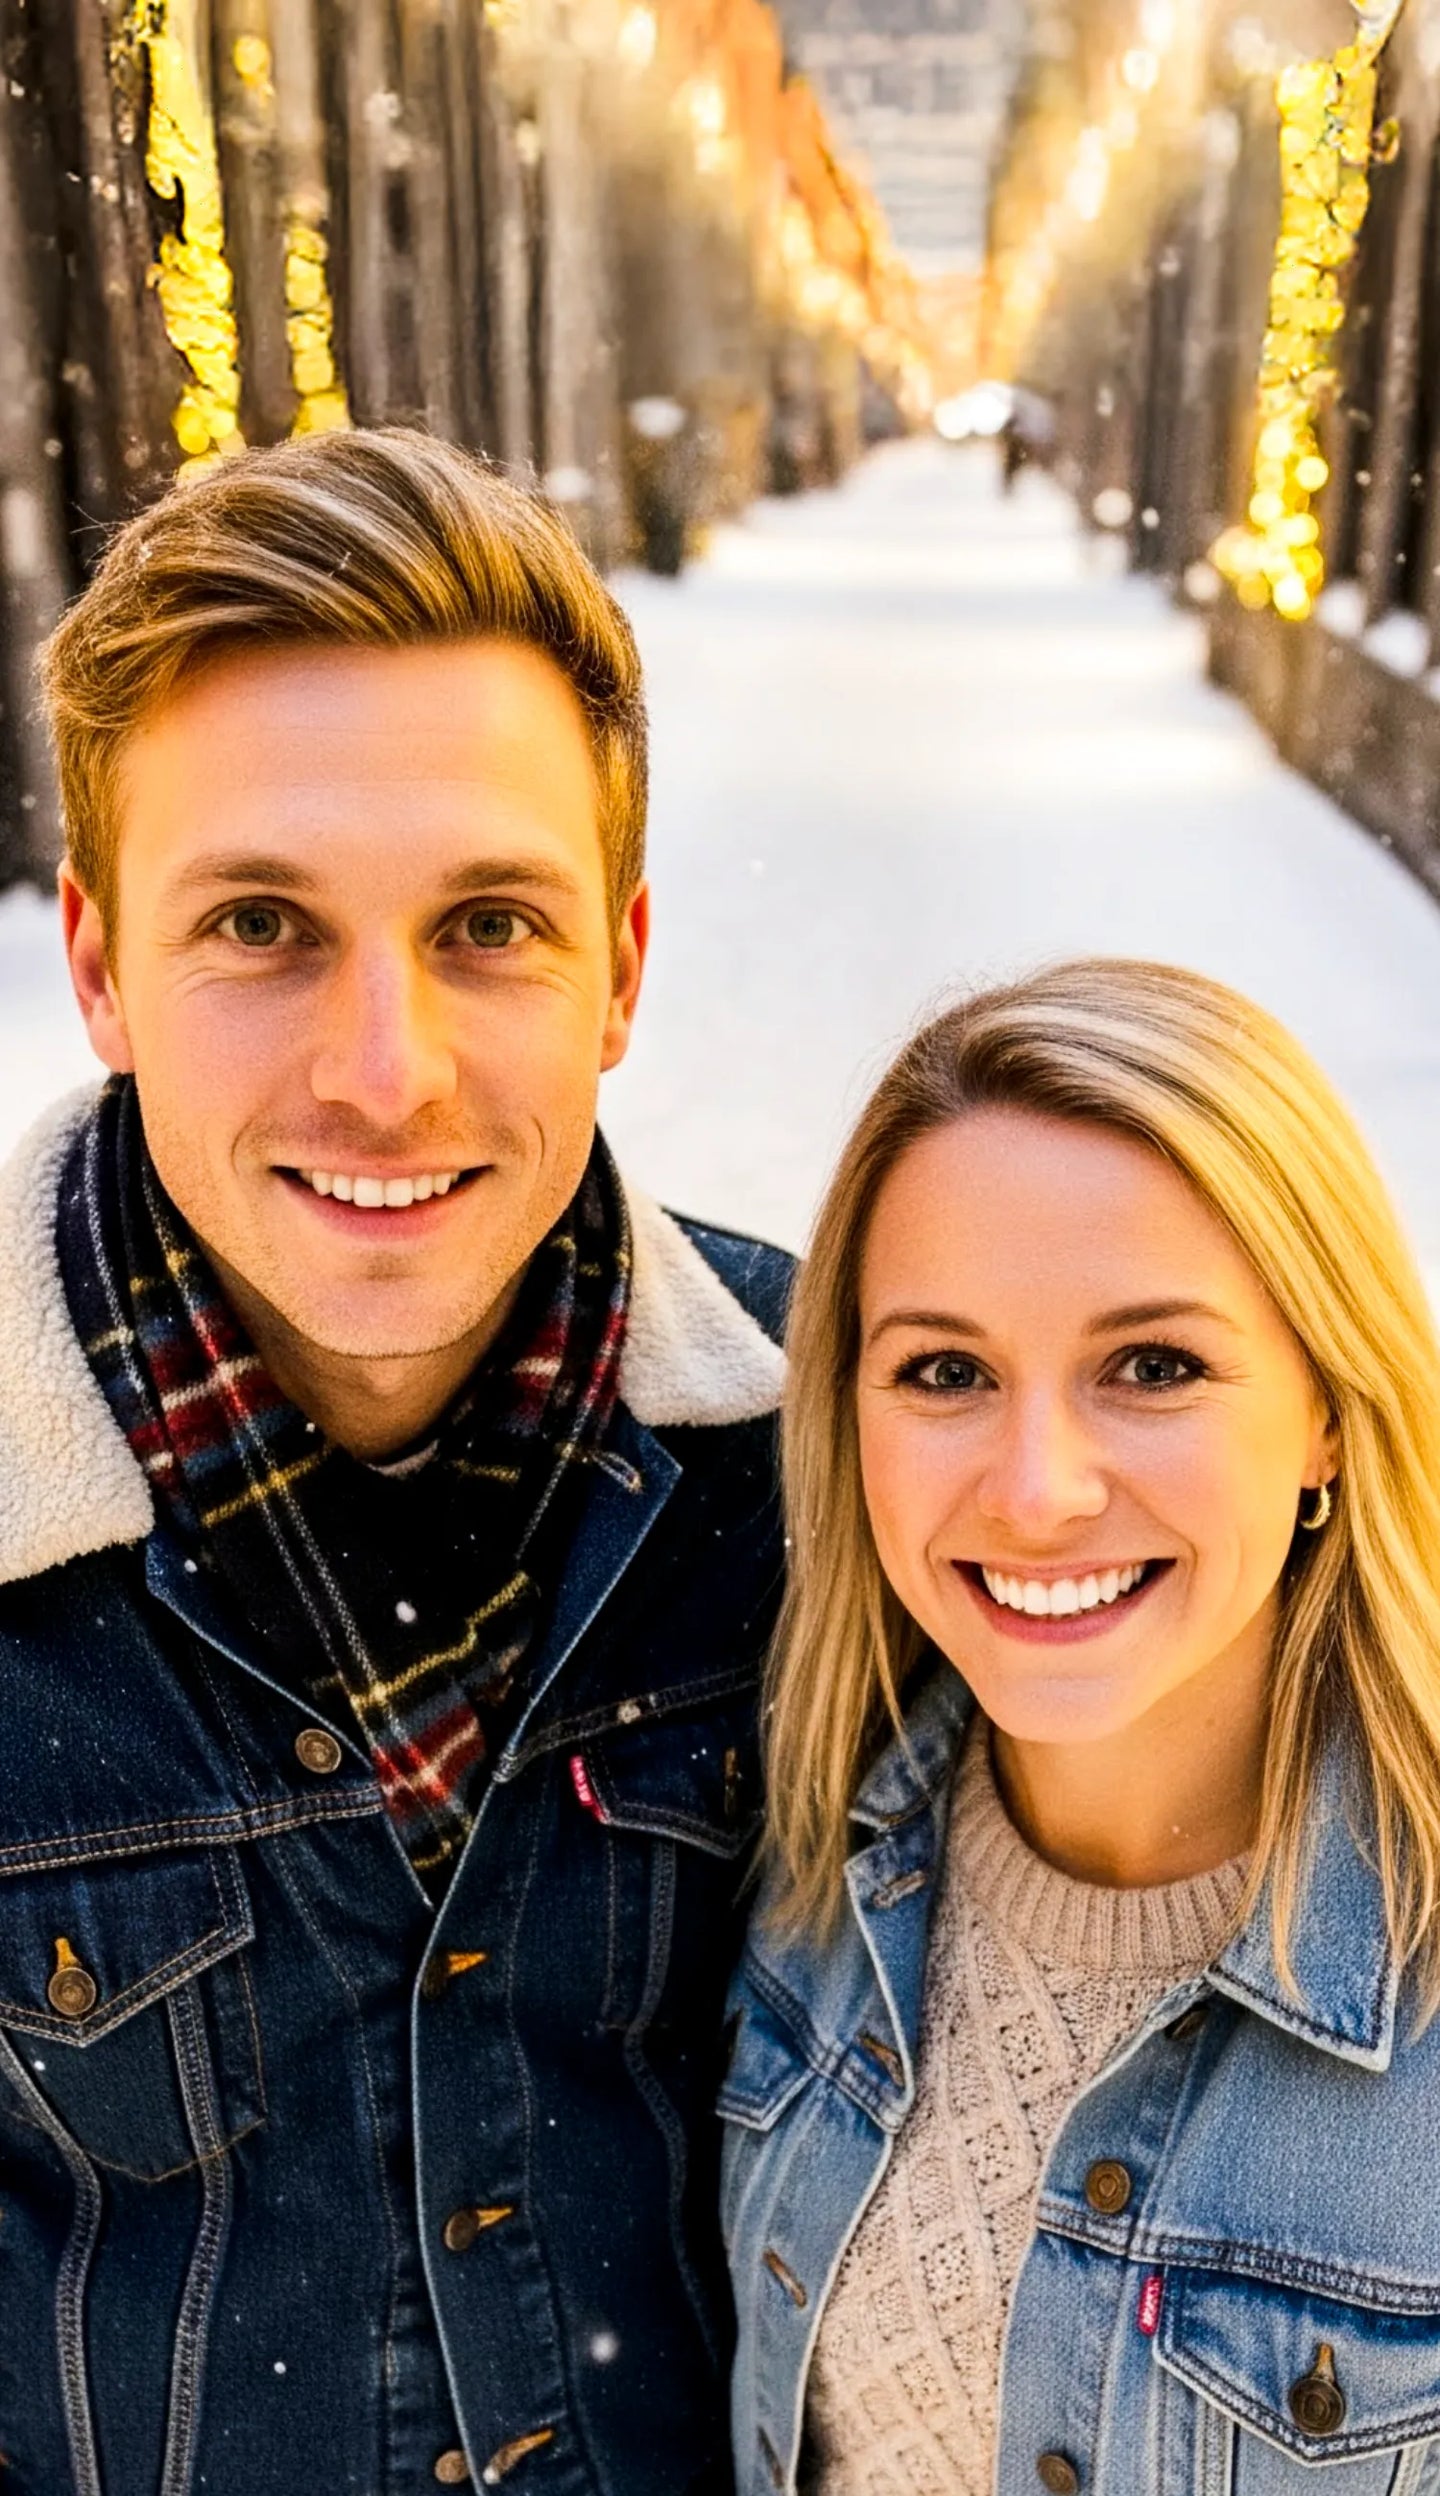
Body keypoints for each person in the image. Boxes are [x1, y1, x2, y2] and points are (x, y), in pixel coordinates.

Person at [0, 426, 791, 2496]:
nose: (382, 1070)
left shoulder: (851, 1459)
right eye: (261, 923)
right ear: (99, 963)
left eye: (488, 929)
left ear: (620, 967)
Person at [721, 957, 1440, 2496]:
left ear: (1326, 1407)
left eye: (1154, 1366)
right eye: (946, 1371)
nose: (1039, 1488)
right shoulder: (799, 1856)